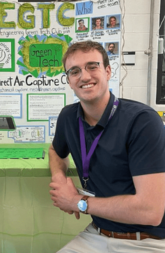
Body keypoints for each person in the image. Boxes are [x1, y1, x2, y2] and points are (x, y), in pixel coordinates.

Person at [49, 40, 165, 252]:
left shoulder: (142, 121)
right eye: (74, 71)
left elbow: (151, 211)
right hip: (97, 233)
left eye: (92, 66)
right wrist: (59, 179)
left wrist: (77, 202)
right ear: (69, 80)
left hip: (149, 240)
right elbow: (56, 151)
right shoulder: (68, 117)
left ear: (108, 71)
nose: (84, 76)